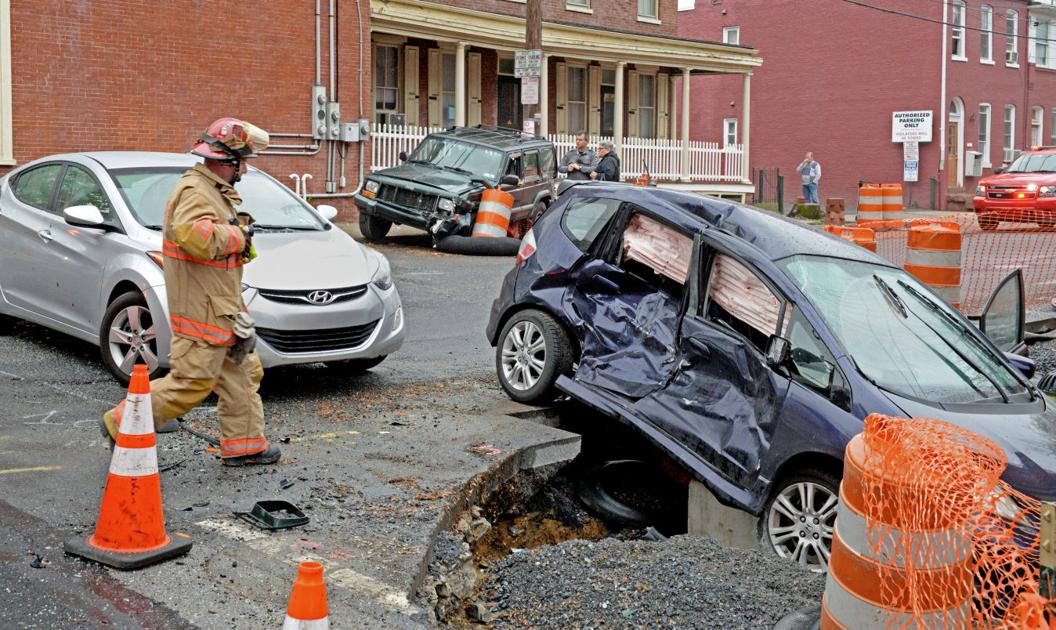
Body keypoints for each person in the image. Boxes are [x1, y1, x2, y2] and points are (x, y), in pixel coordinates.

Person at [100, 117, 281, 467]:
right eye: (242, 162)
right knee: (191, 383)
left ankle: (245, 446)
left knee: (242, 374)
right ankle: (120, 422)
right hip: (203, 312)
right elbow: (193, 236)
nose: (244, 169)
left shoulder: (212, 191)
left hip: (223, 307)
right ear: (227, 161)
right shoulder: (195, 191)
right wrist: (239, 236)